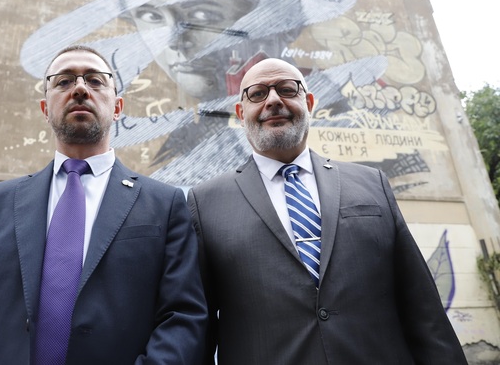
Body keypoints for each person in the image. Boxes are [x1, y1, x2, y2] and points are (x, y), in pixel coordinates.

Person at [0, 45, 207, 364]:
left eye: (95, 80)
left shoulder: (165, 204)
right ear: (45, 109)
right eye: (63, 81)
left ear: (118, 107)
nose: (80, 88)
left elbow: (183, 317)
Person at [187, 57, 467, 364]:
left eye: (287, 89)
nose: (274, 100)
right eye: (257, 93)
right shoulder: (205, 203)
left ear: (309, 103)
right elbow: (197, 326)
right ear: (241, 113)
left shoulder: (372, 183)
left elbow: (423, 307)